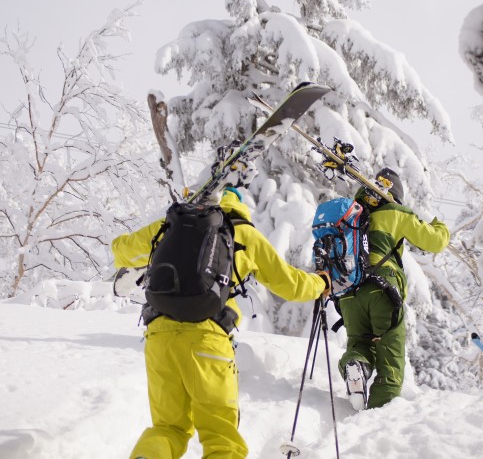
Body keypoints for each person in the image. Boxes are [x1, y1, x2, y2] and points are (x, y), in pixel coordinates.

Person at [111, 186, 331, 459]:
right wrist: (320, 283)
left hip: (159, 337)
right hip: (207, 340)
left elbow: (121, 251)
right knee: (221, 438)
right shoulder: (242, 233)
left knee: (168, 429)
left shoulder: (170, 226)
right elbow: (289, 284)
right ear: (239, 206)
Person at [337, 168, 450, 410]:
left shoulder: (351, 214)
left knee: (359, 342)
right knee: (390, 363)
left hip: (349, 292)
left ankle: (356, 365)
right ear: (396, 195)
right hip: (381, 289)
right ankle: (376, 421)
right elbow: (435, 242)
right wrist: (440, 225)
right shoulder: (396, 213)